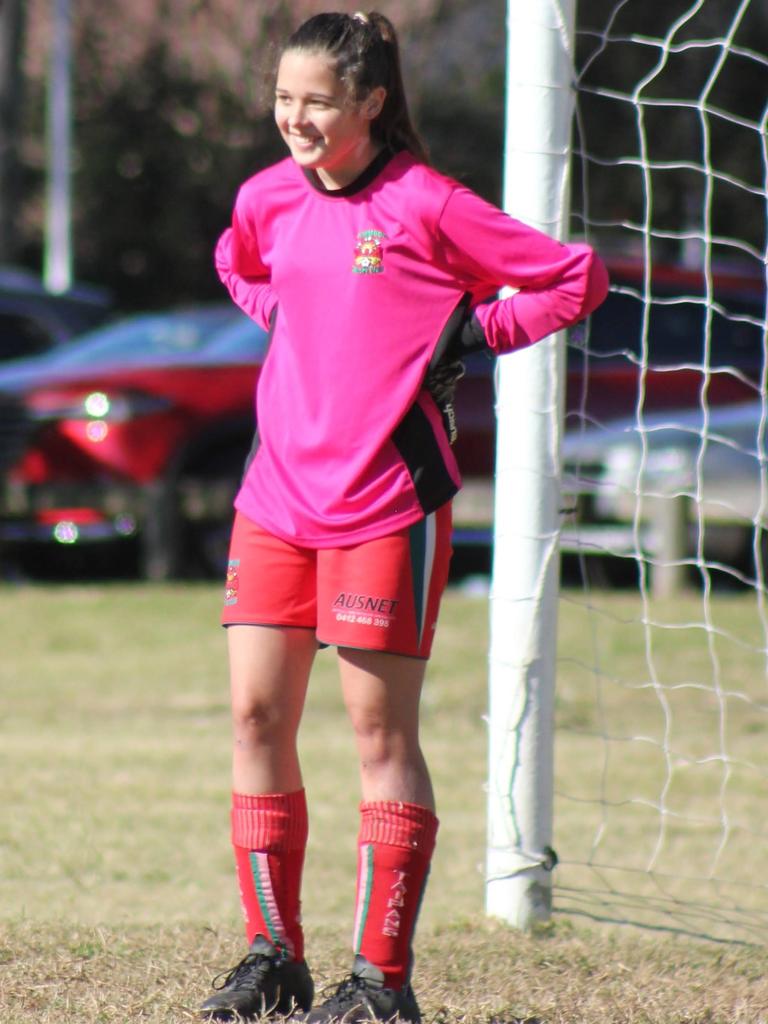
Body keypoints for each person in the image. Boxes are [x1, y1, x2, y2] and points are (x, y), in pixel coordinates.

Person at [200, 9, 608, 1024]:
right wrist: (291, 327)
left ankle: (381, 980)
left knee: (378, 732)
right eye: (283, 99)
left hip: (385, 504)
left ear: (371, 104)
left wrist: (468, 333)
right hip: (275, 499)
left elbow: (574, 276)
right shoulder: (267, 197)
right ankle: (272, 954)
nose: (294, 119)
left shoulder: (427, 204)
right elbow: (238, 261)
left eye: (317, 102)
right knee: (255, 716)